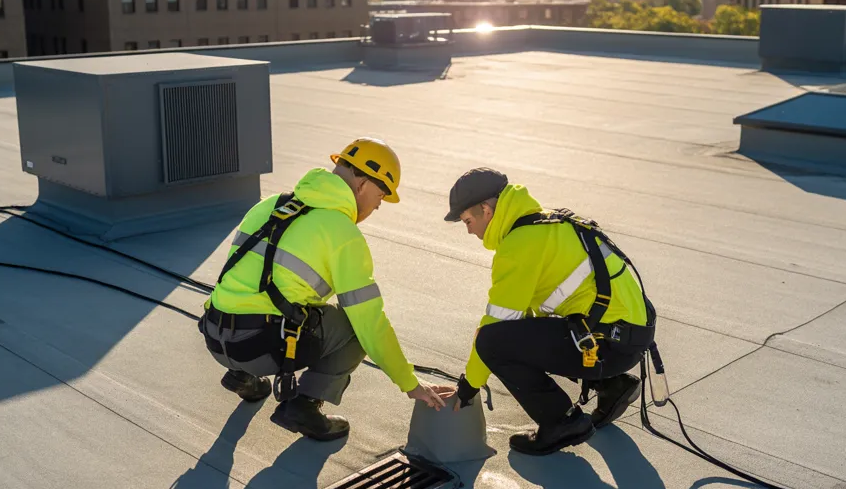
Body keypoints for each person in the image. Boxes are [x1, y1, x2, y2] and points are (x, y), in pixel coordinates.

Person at [200, 137, 453, 441]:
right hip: (259, 346)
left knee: (267, 298)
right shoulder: (342, 233)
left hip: (215, 336)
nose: (379, 205)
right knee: (353, 329)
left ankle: (244, 377)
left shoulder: (271, 204)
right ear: (362, 184)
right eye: (381, 194)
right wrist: (411, 384)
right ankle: (304, 407)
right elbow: (370, 324)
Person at [447, 168, 657, 456]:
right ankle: (612, 385)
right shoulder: (545, 222)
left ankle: (563, 422)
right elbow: (529, 322)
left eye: (468, 221)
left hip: (612, 345)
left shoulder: (518, 246)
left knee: (491, 342)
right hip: (629, 335)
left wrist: (468, 388)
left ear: (485, 209)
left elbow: (495, 327)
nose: (469, 230)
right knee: (536, 329)